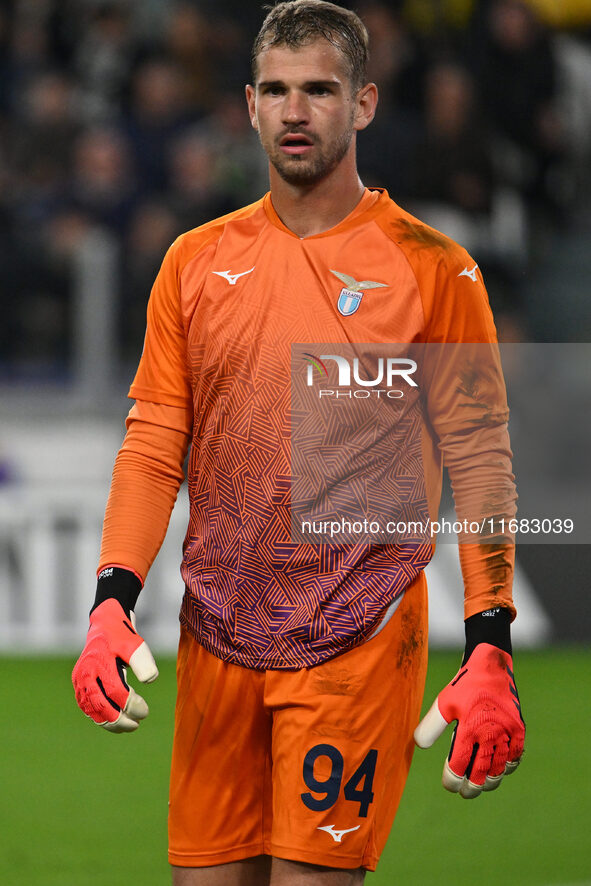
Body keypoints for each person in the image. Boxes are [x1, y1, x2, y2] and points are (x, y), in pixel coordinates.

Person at [72, 3, 525, 885]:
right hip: (216, 635)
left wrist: (490, 641)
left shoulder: (434, 268)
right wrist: (109, 599)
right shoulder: (194, 261)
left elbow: (480, 462)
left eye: (318, 89)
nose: (294, 111)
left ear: (362, 103)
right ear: (246, 104)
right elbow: (155, 438)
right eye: (275, 90)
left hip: (355, 634)